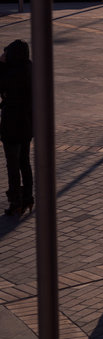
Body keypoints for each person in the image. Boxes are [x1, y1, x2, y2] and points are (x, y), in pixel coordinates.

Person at [0, 40, 33, 216]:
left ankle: (15, 202)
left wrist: (0, 64)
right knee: (24, 162)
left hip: (12, 126)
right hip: (27, 125)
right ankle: (28, 197)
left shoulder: (12, 74)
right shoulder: (29, 68)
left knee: (12, 166)